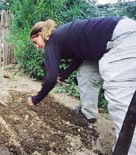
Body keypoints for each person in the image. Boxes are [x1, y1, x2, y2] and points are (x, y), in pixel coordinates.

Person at [28, 16, 136, 154]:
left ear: (40, 34)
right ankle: (88, 114)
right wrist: (64, 74)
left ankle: (128, 150)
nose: (37, 46)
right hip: (113, 39)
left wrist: (35, 99)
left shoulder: (52, 40)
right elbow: (80, 56)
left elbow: (50, 78)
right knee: (86, 73)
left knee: (122, 100)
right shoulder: (62, 36)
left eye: (35, 41)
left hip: (123, 39)